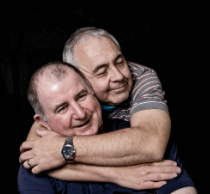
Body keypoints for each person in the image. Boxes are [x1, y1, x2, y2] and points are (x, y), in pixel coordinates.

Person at [19, 27, 197, 193]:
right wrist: (117, 175)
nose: (118, 76)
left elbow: (151, 144)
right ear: (80, 78)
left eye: (120, 63)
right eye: (101, 72)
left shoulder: (141, 80)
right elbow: (35, 157)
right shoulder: (57, 101)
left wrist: (63, 148)